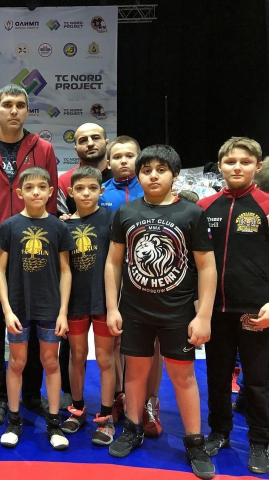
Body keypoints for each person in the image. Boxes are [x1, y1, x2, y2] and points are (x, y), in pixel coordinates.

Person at [105, 145, 216, 480]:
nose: (153, 175)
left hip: (177, 313)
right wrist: (112, 306)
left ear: (175, 175)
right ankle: (133, 428)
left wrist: (203, 315)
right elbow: (113, 263)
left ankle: (194, 442)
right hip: (135, 311)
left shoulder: (191, 214)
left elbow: (206, 267)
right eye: (146, 170)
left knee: (183, 377)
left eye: (161, 170)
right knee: (135, 374)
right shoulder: (126, 212)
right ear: (138, 175)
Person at [0, 84, 59, 425]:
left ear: (27, 111)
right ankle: (0, 397)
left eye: (20, 104)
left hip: (34, 254)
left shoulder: (43, 148)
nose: (13, 110)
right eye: (7, 104)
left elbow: (50, 203)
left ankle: (30, 393)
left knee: (32, 326)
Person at [198, 137, 269, 474]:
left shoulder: (267, 206)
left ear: (257, 166)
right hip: (215, 310)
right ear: (220, 166)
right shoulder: (204, 207)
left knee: (258, 380)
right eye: (230, 161)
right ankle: (219, 432)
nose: (237, 167)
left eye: (245, 161)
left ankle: (260, 440)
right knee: (217, 375)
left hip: (256, 311)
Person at [0, 166, 73, 450]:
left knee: (51, 363)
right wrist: (7, 310)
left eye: (41, 187)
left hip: (50, 308)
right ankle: (14, 421)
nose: (35, 192)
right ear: (19, 193)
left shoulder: (59, 227)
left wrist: (62, 312)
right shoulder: (9, 226)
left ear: (51, 192)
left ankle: (54, 424)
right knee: (17, 363)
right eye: (29, 188)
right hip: (18, 308)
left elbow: (66, 271)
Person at [98, 136, 163, 437]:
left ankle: (150, 402)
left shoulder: (152, 191)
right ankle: (119, 396)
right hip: (112, 276)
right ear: (107, 162)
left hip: (149, 278)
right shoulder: (100, 193)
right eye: (117, 156)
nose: (123, 160)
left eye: (129, 155)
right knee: (115, 341)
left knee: (153, 344)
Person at [62, 166, 116, 446]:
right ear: (70, 192)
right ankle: (77, 408)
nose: (86, 193)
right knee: (77, 356)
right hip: (75, 303)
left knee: (106, 359)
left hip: (104, 302)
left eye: (92, 188)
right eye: (80, 188)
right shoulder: (63, 225)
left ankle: (106, 416)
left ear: (101, 191)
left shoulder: (112, 220)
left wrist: (116, 304)